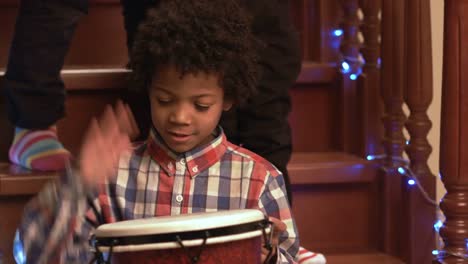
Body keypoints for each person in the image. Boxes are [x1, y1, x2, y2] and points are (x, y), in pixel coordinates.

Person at [16, 1, 300, 263]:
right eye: (164, 100)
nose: (179, 117)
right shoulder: (112, 175)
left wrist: (270, 256)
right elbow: (34, 254)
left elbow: (288, 253)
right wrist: (78, 183)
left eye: (201, 105)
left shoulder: (259, 179)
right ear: (148, 87)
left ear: (228, 99)